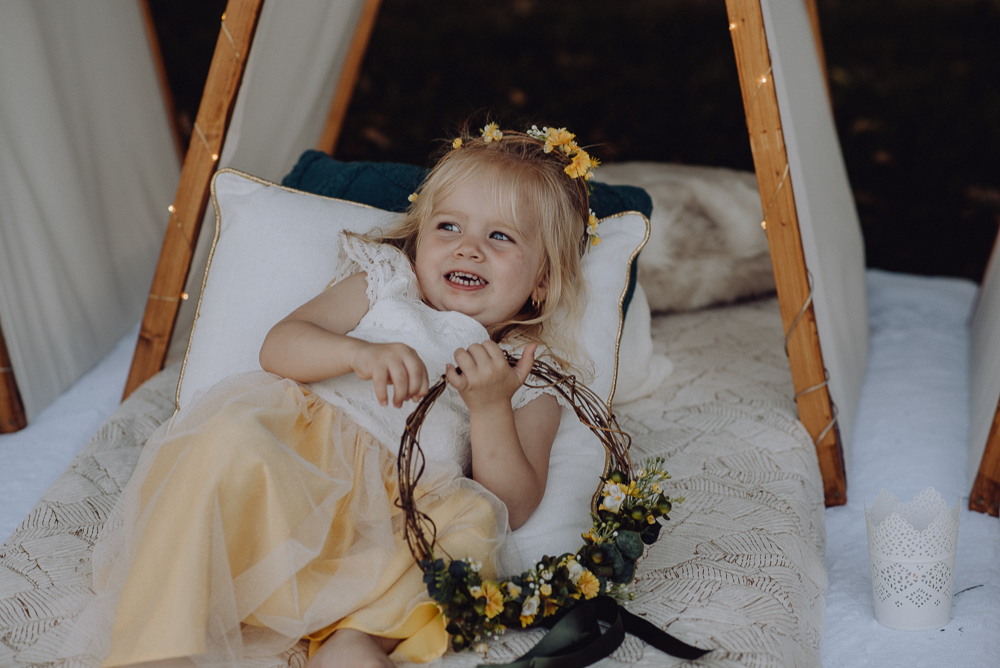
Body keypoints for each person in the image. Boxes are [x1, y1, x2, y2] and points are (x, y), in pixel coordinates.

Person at [71, 123, 598, 668]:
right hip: (300, 468)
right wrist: (357, 354)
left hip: (404, 513)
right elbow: (279, 346)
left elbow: (514, 502)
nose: (469, 247)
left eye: (501, 237)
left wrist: (489, 407)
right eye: (449, 226)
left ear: (542, 280)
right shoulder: (386, 282)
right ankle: (164, 638)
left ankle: (359, 639)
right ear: (418, 241)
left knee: (472, 528)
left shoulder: (530, 373)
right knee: (232, 439)